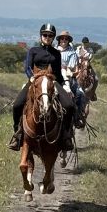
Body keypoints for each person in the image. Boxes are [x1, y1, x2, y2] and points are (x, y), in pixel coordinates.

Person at [9, 23, 69, 151]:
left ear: (53, 38)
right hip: (35, 81)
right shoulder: (33, 51)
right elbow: (27, 67)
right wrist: (31, 76)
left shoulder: (56, 53)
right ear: (41, 36)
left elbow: (57, 73)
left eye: (50, 35)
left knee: (69, 105)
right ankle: (17, 134)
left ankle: (66, 135)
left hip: (52, 82)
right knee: (17, 105)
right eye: (45, 35)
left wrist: (65, 84)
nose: (47, 37)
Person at [57, 28, 88, 127]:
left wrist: (65, 69)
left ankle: (77, 116)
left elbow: (70, 68)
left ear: (68, 41)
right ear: (59, 40)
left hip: (67, 76)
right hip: (54, 75)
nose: (64, 41)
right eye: (62, 39)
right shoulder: (54, 49)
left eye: (66, 39)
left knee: (80, 93)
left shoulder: (72, 52)